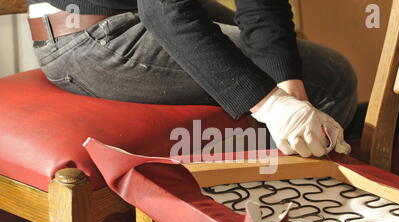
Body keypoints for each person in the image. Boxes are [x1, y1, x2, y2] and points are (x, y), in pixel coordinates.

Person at [27, 0, 358, 157]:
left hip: (135, 9)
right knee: (331, 76)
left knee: (297, 70)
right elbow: (165, 12)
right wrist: (271, 104)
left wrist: (288, 87)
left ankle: (260, 211)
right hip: (88, 38)